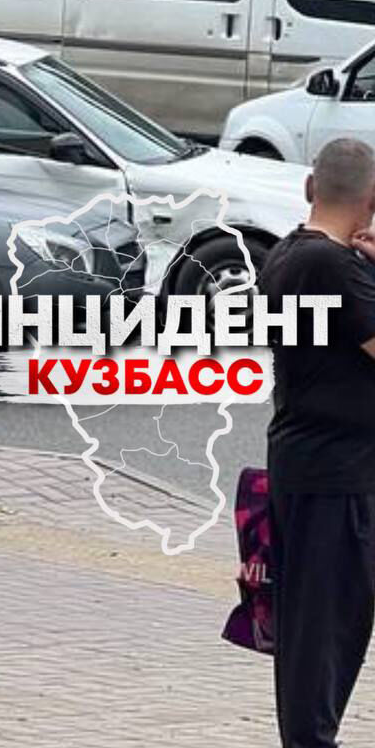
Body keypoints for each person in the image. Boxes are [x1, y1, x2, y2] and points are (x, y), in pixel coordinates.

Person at [260, 136, 375, 748]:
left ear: (311, 188)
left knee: (319, 627)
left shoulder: (286, 255)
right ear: (371, 199)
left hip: (310, 466)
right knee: (326, 632)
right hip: (334, 478)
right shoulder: (333, 267)